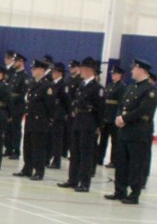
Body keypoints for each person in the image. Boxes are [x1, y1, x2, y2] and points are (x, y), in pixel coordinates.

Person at [105, 58, 156, 204]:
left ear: (142, 70)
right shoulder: (132, 87)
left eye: (134, 68)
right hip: (125, 131)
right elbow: (122, 104)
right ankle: (120, 190)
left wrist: (125, 118)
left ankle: (134, 194)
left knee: (135, 164)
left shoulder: (149, 89)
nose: (132, 71)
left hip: (138, 132)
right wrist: (119, 117)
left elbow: (143, 109)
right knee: (121, 162)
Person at [58, 57, 103, 192]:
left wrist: (98, 126)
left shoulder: (97, 88)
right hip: (78, 120)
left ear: (90, 70)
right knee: (75, 152)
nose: (81, 71)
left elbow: (100, 109)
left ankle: (84, 182)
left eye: (83, 68)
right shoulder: (82, 85)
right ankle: (73, 179)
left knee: (85, 154)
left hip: (89, 122)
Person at [13, 58, 54, 181]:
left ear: (41, 70)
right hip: (30, 119)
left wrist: (48, 120)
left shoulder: (47, 85)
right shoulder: (33, 84)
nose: (32, 70)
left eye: (35, 68)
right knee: (28, 145)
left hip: (40, 121)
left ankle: (39, 171)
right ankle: (27, 168)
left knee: (38, 147)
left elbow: (50, 106)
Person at [99, 65, 126, 167]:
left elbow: (121, 103)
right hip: (106, 115)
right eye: (112, 74)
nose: (113, 76)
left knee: (114, 141)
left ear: (120, 75)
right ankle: (99, 157)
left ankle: (113, 160)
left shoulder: (122, 87)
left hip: (113, 115)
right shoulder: (110, 86)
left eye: (115, 74)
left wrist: (117, 116)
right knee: (103, 139)